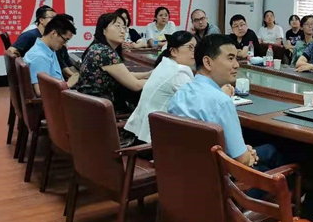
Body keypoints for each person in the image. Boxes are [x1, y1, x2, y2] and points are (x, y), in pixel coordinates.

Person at [167, 34, 282, 171]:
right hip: (220, 179)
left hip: (184, 172)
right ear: (208, 62)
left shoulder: (181, 93)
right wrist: (246, 154)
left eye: (236, 58)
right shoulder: (221, 102)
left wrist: (243, 151)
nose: (236, 65)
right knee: (279, 154)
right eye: (230, 58)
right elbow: (242, 161)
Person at [125, 31, 202, 144]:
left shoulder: (165, 64)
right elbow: (198, 104)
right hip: (155, 141)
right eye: (190, 47)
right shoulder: (179, 72)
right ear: (174, 51)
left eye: (195, 47)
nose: (194, 52)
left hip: (142, 134)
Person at [75, 12, 151, 106]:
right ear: (104, 30)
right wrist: (157, 80)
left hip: (88, 104)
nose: (122, 31)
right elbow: (136, 85)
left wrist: (148, 74)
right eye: (117, 26)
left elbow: (125, 75)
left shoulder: (97, 47)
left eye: (124, 27)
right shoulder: (105, 53)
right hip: (98, 108)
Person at [24, 14, 78, 96]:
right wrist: (68, 84)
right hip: (55, 101)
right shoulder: (39, 57)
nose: (65, 44)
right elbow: (40, 92)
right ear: (54, 33)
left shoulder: (49, 50)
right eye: (65, 40)